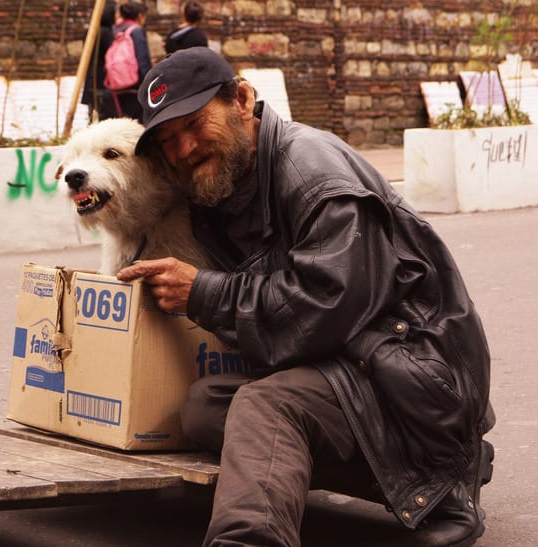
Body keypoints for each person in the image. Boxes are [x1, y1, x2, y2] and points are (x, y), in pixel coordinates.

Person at [117, 47, 495, 546]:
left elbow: (325, 307)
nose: (183, 148)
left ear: (241, 100)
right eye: (168, 140)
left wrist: (203, 292)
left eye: (193, 123)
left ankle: (441, 473)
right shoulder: (223, 182)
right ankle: (428, 481)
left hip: (416, 377)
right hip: (352, 365)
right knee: (205, 409)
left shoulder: (313, 172)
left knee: (264, 404)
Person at [109, 1, 152, 120]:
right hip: (134, 85)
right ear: (140, 16)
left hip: (117, 82)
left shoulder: (115, 30)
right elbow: (142, 60)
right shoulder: (136, 30)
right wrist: (148, 83)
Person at [81, 0, 119, 122]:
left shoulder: (91, 31)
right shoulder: (106, 33)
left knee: (93, 113)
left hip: (91, 76)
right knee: (105, 115)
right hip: (102, 77)